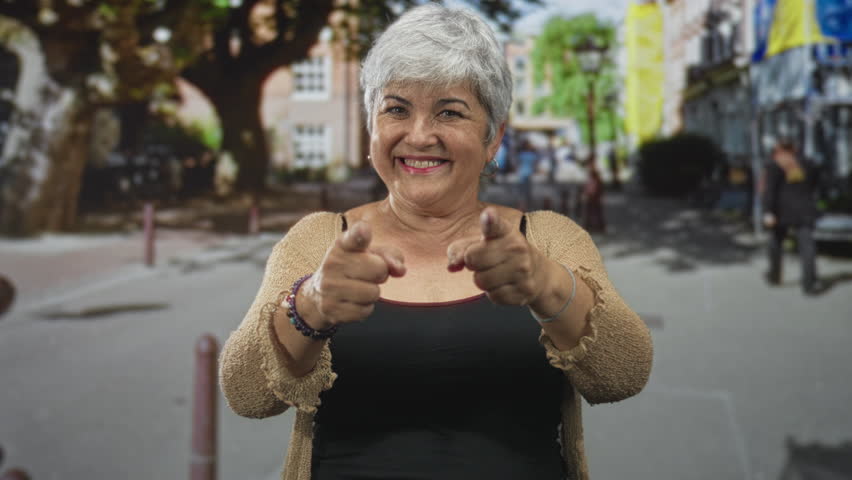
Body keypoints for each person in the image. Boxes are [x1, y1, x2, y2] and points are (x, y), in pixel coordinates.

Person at [219, 5, 652, 480]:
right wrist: (309, 306)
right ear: (372, 130)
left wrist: (547, 285)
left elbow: (623, 374)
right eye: (397, 109)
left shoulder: (550, 238)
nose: (420, 135)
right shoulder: (318, 239)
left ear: (493, 139)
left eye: (450, 112)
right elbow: (246, 395)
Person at [762, 139, 825, 295]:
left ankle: (775, 276)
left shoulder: (775, 164)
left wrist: (768, 212)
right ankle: (809, 284)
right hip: (805, 208)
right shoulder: (808, 163)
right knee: (807, 247)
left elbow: (770, 190)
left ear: (779, 149)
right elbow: (817, 184)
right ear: (794, 149)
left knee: (775, 243)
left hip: (781, 211)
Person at [516, 138, 538, 210]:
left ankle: (522, 206)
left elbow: (518, 164)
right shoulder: (532, 155)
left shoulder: (521, 154)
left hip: (522, 174)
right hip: (528, 174)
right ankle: (528, 206)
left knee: (522, 192)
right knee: (528, 191)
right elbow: (535, 165)